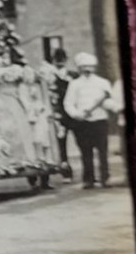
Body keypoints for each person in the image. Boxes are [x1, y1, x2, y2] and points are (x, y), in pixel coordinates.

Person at [63, 52, 117, 189]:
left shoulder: (103, 82)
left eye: (90, 67)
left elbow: (108, 100)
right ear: (79, 68)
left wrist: (111, 105)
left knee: (103, 151)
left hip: (100, 120)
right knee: (86, 152)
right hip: (83, 123)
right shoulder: (74, 84)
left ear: (94, 67)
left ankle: (105, 178)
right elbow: (68, 103)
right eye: (84, 67)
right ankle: (89, 179)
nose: (87, 70)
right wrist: (77, 114)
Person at [46, 50, 75, 181]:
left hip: (73, 113)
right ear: (53, 60)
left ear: (66, 59)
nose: (60, 62)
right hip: (58, 114)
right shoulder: (48, 76)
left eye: (62, 59)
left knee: (82, 141)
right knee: (61, 144)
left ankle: (89, 172)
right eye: (57, 59)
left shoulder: (73, 75)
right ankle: (66, 171)